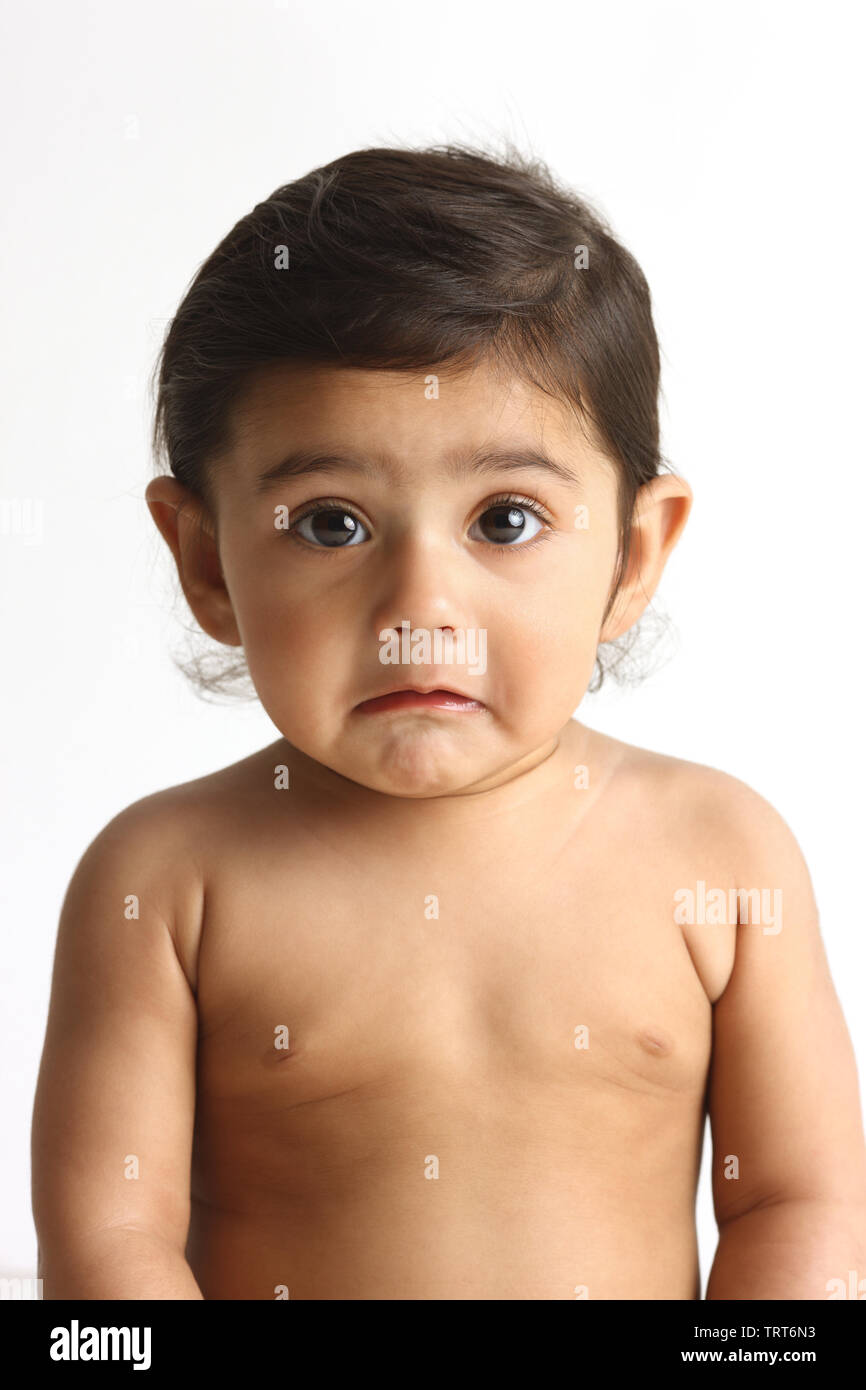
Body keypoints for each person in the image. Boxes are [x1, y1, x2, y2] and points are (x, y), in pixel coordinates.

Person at [31, 143, 866, 1299]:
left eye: (506, 519)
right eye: (330, 523)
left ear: (631, 555)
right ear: (206, 562)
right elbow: (109, 1244)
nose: (419, 607)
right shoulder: (168, 880)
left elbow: (797, 1200)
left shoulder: (717, 855)